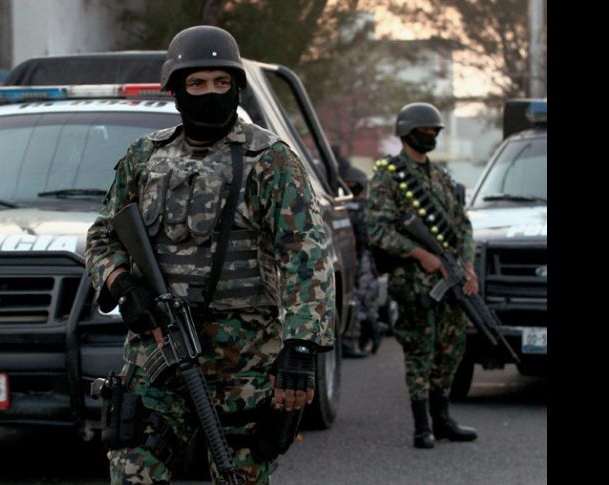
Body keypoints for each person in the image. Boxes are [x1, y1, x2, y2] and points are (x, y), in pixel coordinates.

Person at [85, 25, 335, 484]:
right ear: (176, 90)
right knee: (133, 471)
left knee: (237, 473)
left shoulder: (270, 161)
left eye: (221, 83)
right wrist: (122, 285)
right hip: (157, 353)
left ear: (237, 88)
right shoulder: (144, 158)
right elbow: (103, 237)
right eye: (196, 83)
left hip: (244, 362)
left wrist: (301, 347)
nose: (209, 93)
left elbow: (306, 256)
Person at [366, 102, 479, 449]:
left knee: (452, 346)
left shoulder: (442, 177)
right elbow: (377, 230)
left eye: (435, 131)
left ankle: (442, 417)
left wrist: (469, 266)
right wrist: (422, 255)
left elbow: (462, 226)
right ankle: (422, 425)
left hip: (451, 279)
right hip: (413, 281)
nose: (430, 135)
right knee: (420, 350)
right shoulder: (389, 176)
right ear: (406, 132)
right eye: (425, 130)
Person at [337, 156, 386, 358]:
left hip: (363, 260)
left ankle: (366, 336)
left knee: (363, 302)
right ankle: (361, 337)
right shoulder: (345, 207)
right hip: (351, 258)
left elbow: (370, 237)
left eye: (353, 186)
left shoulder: (366, 208)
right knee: (357, 303)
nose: (350, 188)